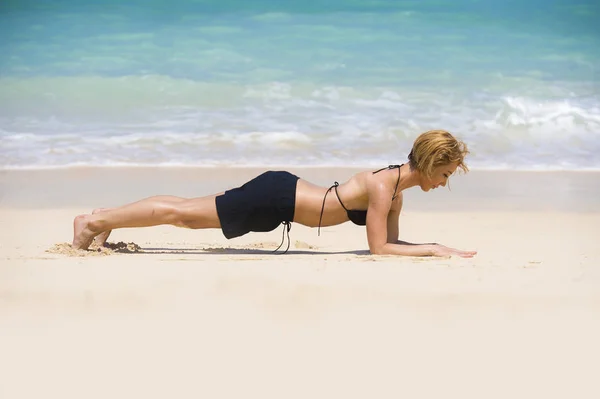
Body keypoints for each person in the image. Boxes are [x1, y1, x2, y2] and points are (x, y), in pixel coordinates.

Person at [72, 129, 477, 257]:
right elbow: (380, 251)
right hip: (276, 197)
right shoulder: (383, 186)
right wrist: (436, 248)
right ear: (427, 163)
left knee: (187, 209)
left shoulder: (395, 192)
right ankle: (93, 221)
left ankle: (105, 215)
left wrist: (430, 246)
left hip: (281, 195)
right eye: (443, 173)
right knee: (185, 215)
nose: (443, 183)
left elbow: (388, 243)